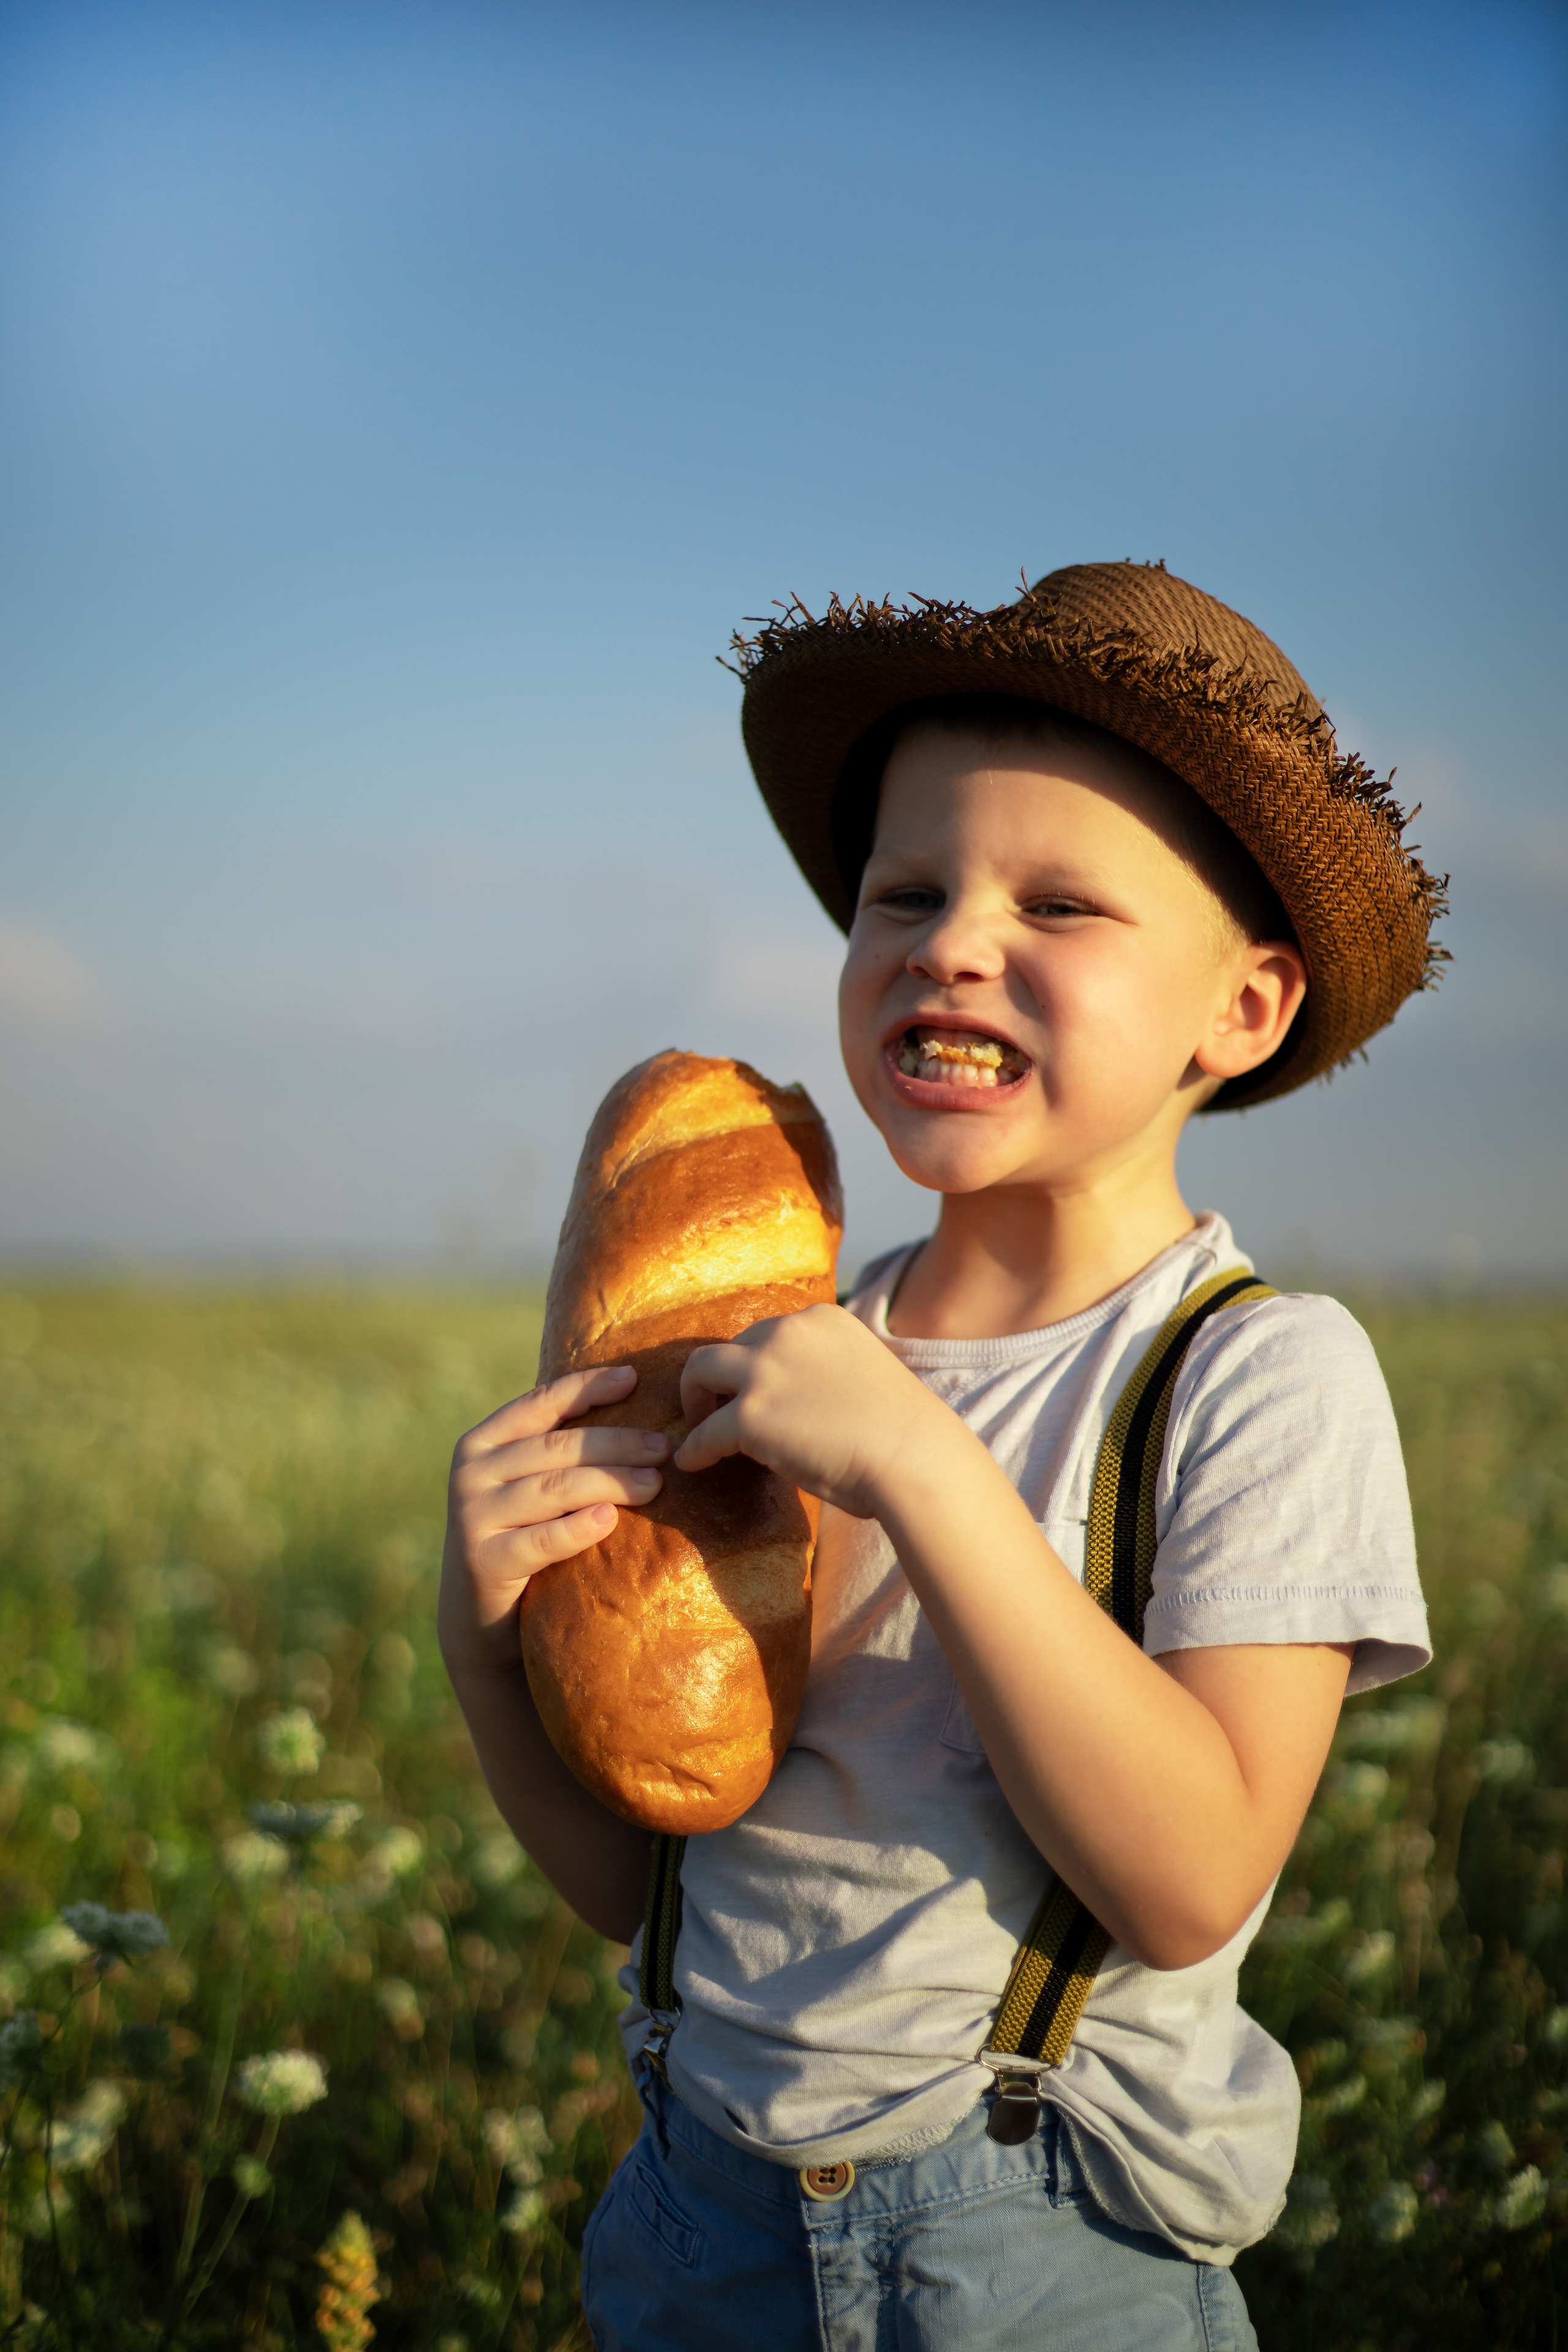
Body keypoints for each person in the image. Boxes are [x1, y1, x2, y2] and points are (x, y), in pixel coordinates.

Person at [439, 562, 1439, 2350]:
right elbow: (649, 1887)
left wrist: (921, 1472)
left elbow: (1190, 1877)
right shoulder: (774, 1346)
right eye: (904, 891)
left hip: (1040, 2259)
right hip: (696, 2223)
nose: (952, 941)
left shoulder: (1257, 1375)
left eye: (1060, 903)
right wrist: (485, 1649)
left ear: (1246, 1010)